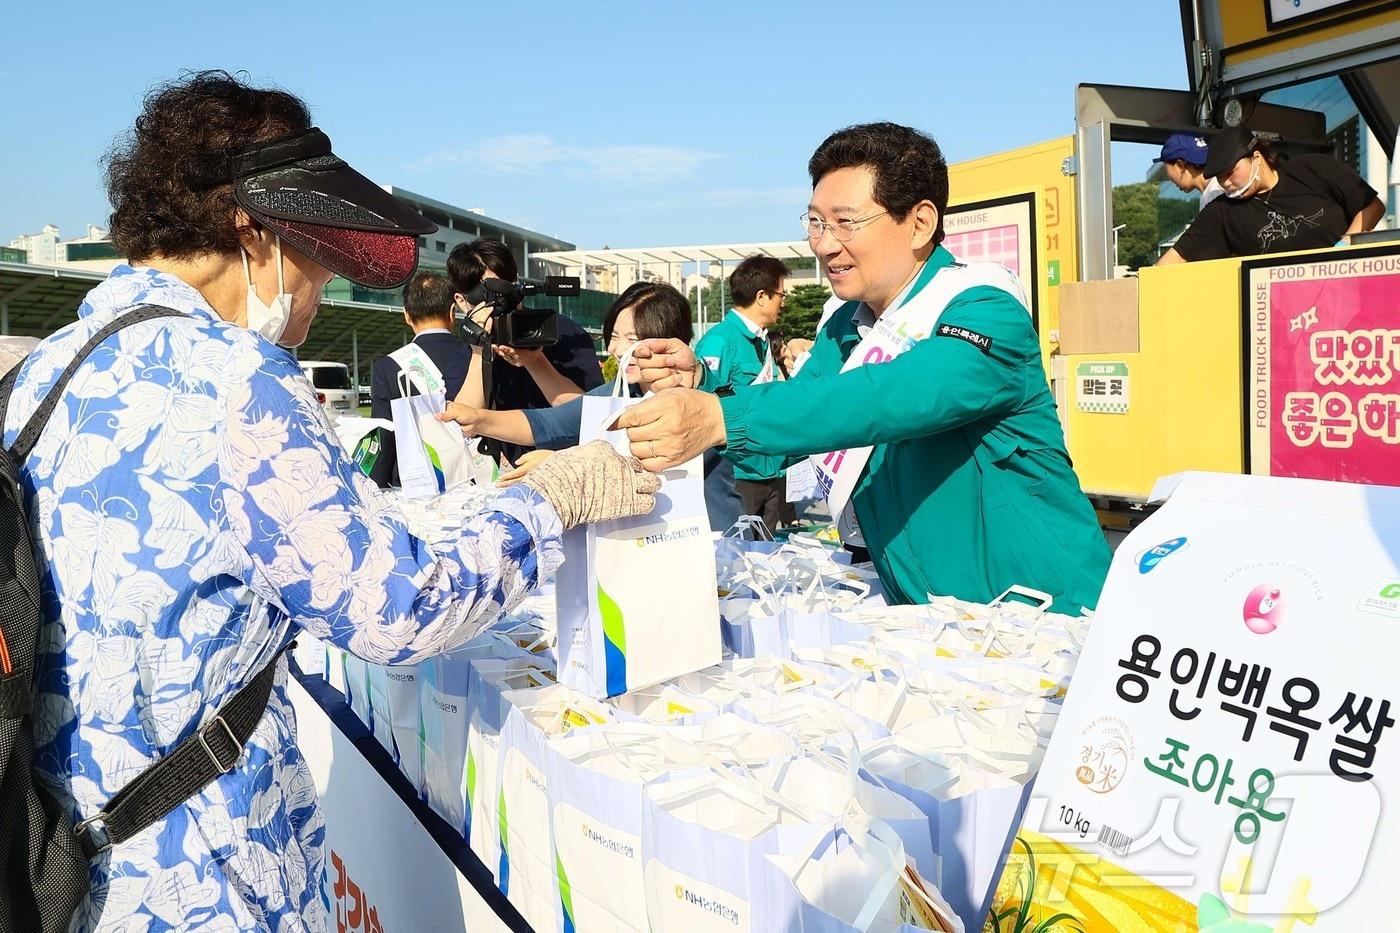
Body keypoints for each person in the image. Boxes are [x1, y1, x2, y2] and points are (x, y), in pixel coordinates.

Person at [7, 71, 658, 933]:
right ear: (250, 228)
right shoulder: (239, 381)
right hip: (205, 869)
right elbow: (394, 608)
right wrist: (550, 499)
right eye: (314, 259)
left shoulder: (42, 371)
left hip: (61, 853)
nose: (313, 297)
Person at [614, 122, 1110, 615]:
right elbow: (781, 448)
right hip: (929, 619)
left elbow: (896, 395)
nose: (824, 245)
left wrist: (722, 416)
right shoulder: (844, 329)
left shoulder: (984, 307)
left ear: (919, 222)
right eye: (815, 222)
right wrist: (703, 386)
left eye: (845, 223)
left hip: (1046, 614)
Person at [440, 282, 743, 532]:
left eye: (632, 339)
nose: (619, 350)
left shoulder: (705, 397)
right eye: (613, 337)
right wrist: (478, 419)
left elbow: (651, 466)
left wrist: (565, 465)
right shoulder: (619, 393)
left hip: (712, 543)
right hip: (648, 542)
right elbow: (551, 423)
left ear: (672, 342)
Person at [448, 238, 604, 462]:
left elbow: (593, 414)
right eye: (487, 296)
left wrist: (535, 361)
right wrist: (478, 353)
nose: (497, 305)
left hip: (566, 465)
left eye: (504, 292)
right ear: (462, 301)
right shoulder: (466, 350)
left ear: (517, 285)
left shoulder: (558, 331)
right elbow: (464, 426)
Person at [1158, 125, 1384, 264]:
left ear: (1256, 158)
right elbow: (1174, 260)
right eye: (1219, 177)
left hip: (1349, 292)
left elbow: (1372, 206)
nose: (1226, 182)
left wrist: (1343, 248)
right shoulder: (1221, 212)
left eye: (1231, 172)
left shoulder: (1314, 168)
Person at [694, 255, 796, 531]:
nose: (783, 302)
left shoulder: (762, 340)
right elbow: (705, 403)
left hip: (771, 469)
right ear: (762, 296)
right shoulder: (720, 341)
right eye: (780, 295)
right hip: (739, 475)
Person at [367, 269, 472, 486]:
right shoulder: (476, 357)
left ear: (406, 315)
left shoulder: (388, 367)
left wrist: (376, 487)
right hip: (475, 479)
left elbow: (384, 436)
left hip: (415, 484)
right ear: (453, 312)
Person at [1154, 131, 1225, 209]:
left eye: (1166, 170)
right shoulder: (1215, 189)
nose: (1168, 177)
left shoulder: (1215, 193)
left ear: (1180, 165)